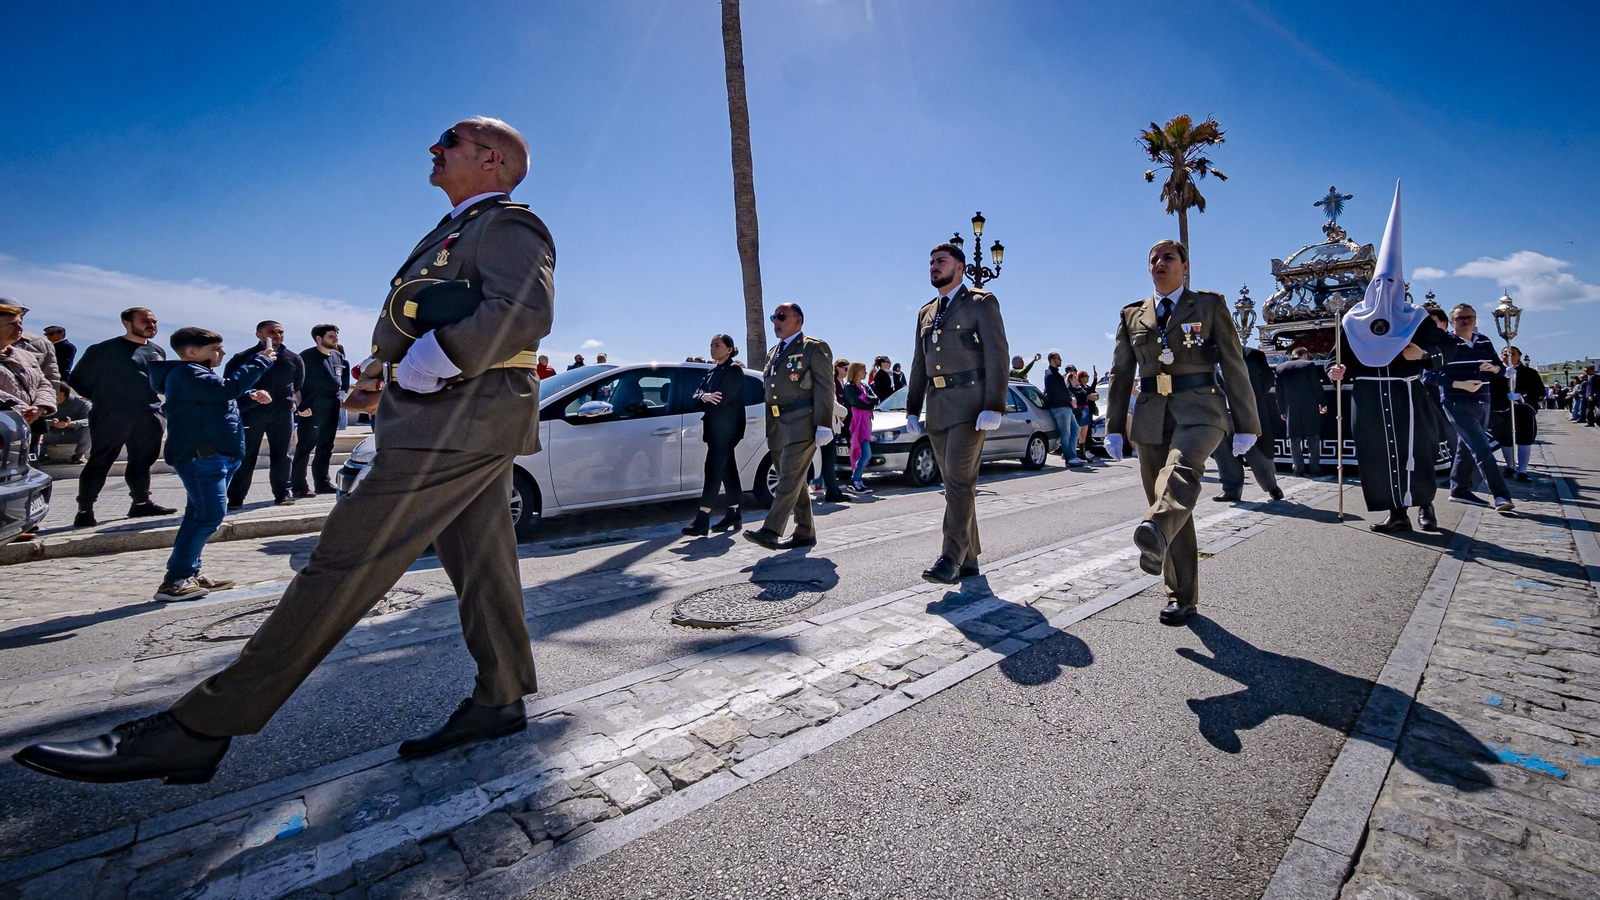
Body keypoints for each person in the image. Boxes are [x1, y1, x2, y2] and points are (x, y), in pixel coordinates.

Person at [14, 116, 554, 784]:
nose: (434, 149)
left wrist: (435, 361)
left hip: (458, 423)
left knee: (342, 563)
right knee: (483, 569)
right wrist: (385, 373)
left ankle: (202, 726)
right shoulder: (453, 231)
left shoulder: (507, 224)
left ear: (494, 160)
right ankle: (501, 699)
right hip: (453, 419)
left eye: (451, 141)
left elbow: (522, 312)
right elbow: (415, 317)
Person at [1104, 240, 1259, 624]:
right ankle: (1181, 597)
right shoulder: (1132, 315)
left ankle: (1153, 529)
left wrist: (1246, 424)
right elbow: (1121, 374)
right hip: (1151, 415)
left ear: (1185, 266)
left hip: (1201, 408)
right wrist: (1113, 428)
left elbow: (1234, 363)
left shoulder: (1208, 305)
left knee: (1181, 472)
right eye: (1153, 259)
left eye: (1168, 258)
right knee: (1171, 503)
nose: (1159, 263)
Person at [906, 242, 1010, 584]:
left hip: (971, 406)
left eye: (941, 261)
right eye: (931, 261)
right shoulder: (925, 312)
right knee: (954, 485)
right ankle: (970, 559)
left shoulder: (980, 302)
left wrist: (994, 404)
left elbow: (998, 354)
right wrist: (912, 406)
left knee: (959, 480)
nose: (934, 266)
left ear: (960, 268)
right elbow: (919, 362)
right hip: (938, 407)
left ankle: (950, 557)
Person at [145, 328, 275, 602]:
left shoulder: (197, 376)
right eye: (216, 348)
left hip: (217, 455)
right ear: (192, 352)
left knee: (198, 515)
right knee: (209, 515)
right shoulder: (186, 373)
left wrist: (248, 399)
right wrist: (260, 361)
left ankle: (187, 573)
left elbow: (219, 403)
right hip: (202, 456)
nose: (222, 352)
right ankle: (175, 581)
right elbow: (228, 389)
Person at [67, 307, 175, 527]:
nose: (151, 325)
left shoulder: (157, 351)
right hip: (112, 414)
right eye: (145, 321)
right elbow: (77, 380)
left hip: (149, 413)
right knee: (100, 461)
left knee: (142, 462)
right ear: (127, 322)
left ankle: (142, 504)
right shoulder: (103, 349)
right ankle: (85, 509)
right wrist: (103, 399)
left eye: (154, 322)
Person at [744, 302, 834, 550]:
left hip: (801, 423)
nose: (776, 321)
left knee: (789, 479)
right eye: (774, 317)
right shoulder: (774, 352)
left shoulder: (813, 348)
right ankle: (805, 531)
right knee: (791, 478)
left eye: (781, 316)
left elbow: (825, 387)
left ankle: (771, 530)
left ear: (798, 320)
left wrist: (824, 424)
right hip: (777, 424)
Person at [1436, 303, 1513, 513]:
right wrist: (1459, 384)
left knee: (1466, 447)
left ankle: (1459, 489)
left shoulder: (1484, 341)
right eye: (1460, 318)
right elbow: (1429, 376)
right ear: (1452, 322)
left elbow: (1500, 369)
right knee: (1482, 448)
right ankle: (1501, 495)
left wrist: (1494, 368)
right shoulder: (1445, 342)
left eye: (1469, 317)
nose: (1465, 321)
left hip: (1483, 400)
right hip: (1456, 401)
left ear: (1476, 320)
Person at [225, 320, 306, 509]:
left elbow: (298, 383)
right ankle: (236, 497)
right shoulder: (243, 357)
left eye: (280, 332)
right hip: (251, 412)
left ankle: (283, 493)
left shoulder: (293, 358)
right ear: (259, 335)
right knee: (247, 455)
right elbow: (232, 382)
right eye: (271, 332)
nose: (277, 336)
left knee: (282, 454)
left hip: (282, 412)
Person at [683, 334, 746, 536]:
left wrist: (706, 398)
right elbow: (696, 396)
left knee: (712, 469)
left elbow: (722, 399)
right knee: (727, 469)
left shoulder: (734, 370)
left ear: (729, 349)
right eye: (711, 345)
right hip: (713, 428)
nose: (713, 349)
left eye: (717, 345)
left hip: (728, 429)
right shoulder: (711, 372)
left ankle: (703, 517)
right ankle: (734, 513)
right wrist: (704, 396)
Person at [1210, 342, 1283, 502]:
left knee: (1258, 451)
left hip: (1248, 411)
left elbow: (1268, 379)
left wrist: (1253, 399)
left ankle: (1271, 485)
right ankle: (1231, 490)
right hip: (1220, 412)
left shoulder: (1253, 354)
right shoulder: (1207, 355)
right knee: (1223, 453)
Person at [291, 324, 348, 498]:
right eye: (331, 336)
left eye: (336, 335)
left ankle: (322, 483)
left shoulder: (339, 357)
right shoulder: (306, 357)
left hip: (332, 406)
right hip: (311, 407)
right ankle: (299, 486)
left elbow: (342, 384)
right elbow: (294, 384)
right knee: (305, 447)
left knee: (326, 447)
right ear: (318, 338)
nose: (335, 339)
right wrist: (300, 406)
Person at [1492, 346, 1544, 482]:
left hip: (1524, 410)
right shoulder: (1495, 373)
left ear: (1519, 356)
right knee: (1505, 439)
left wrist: (1521, 396)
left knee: (1524, 439)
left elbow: (1539, 391)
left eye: (1512, 354)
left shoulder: (1530, 373)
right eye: (1504, 354)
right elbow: (1490, 390)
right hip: (1503, 411)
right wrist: (1503, 377)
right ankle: (1510, 465)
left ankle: (1522, 470)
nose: (1508, 356)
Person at [1274, 347, 1328, 476]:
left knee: (1294, 439)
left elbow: (1278, 393)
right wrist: (1323, 403)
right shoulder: (1308, 365)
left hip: (1291, 408)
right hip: (1309, 406)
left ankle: (1298, 468)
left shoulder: (1280, 368)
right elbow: (1316, 386)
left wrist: (1282, 410)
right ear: (1305, 355)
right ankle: (1315, 468)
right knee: (1313, 437)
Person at [0, 304, 56, 425]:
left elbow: (44, 384)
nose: (19, 328)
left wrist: (40, 407)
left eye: (20, 323)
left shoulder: (27, 357)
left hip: (27, 425)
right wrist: (21, 408)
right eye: (11, 324)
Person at [810, 359, 850, 502]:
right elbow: (830, 403)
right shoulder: (825, 381)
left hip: (820, 426)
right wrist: (844, 411)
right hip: (826, 427)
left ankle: (831, 489)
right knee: (828, 461)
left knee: (825, 461)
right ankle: (832, 491)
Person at [1042, 354, 1084, 467]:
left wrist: (1072, 398)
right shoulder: (1050, 375)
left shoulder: (1056, 374)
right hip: (1060, 408)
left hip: (1066, 407)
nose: (1060, 361)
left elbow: (1064, 390)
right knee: (1065, 433)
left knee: (1075, 431)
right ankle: (1069, 457)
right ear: (1052, 360)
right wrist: (1070, 399)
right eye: (1058, 359)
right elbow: (1057, 393)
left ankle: (1072, 455)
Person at [843, 361, 877, 492]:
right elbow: (855, 402)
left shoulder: (864, 386)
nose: (865, 373)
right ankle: (855, 480)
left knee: (864, 454)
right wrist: (868, 403)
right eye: (863, 370)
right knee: (863, 454)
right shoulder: (849, 386)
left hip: (865, 423)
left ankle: (857, 479)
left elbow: (875, 398)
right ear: (856, 371)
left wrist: (867, 402)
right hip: (853, 425)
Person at [39, 386, 91, 463]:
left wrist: (70, 424)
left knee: (90, 427)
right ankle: (42, 456)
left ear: (61, 394)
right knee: (33, 428)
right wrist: (51, 423)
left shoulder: (82, 403)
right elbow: (35, 419)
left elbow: (89, 420)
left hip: (73, 434)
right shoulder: (43, 402)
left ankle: (78, 455)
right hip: (49, 434)